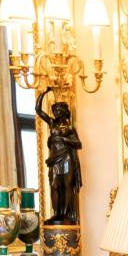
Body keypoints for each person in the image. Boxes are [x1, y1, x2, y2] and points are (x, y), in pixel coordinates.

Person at [35, 90, 82, 225]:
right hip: (54, 159)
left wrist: (62, 139)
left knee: (66, 185)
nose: (55, 113)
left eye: (58, 110)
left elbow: (78, 144)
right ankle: (57, 214)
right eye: (54, 110)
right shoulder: (52, 124)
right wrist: (44, 92)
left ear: (64, 111)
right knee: (54, 185)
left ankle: (66, 214)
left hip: (66, 158)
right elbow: (38, 110)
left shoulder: (69, 128)